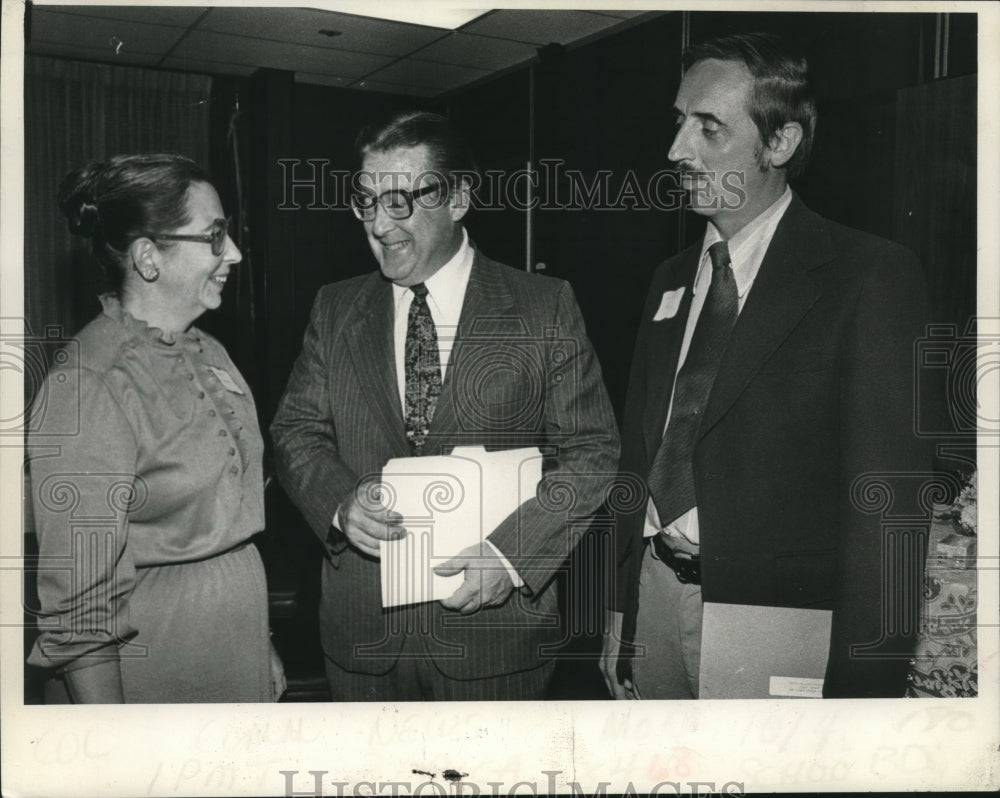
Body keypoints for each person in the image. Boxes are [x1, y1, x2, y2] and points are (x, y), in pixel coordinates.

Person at [601, 33, 931, 699]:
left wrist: (865, 689)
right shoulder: (668, 280)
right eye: (678, 122)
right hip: (656, 598)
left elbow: (888, 510)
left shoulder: (868, 276)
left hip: (778, 621)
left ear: (779, 145)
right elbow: (637, 459)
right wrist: (617, 613)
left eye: (709, 128)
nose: (676, 150)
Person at [270, 111, 620, 701]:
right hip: (363, 644)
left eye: (402, 201)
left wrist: (511, 558)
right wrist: (338, 504)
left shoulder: (543, 307)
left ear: (458, 198)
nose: (380, 224)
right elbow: (295, 430)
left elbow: (590, 452)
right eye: (366, 200)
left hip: (495, 643)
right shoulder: (335, 309)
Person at [27, 153, 285, 703]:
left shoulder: (209, 350)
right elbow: (79, 603)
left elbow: (225, 524)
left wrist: (257, 639)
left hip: (232, 647)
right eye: (214, 237)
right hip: (159, 662)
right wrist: (113, 746)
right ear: (148, 257)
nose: (234, 254)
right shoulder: (90, 381)